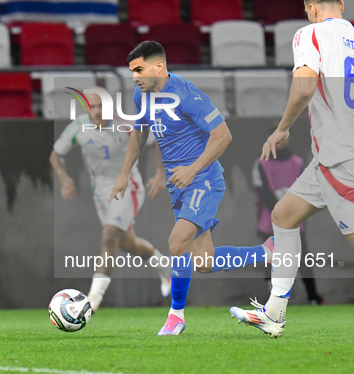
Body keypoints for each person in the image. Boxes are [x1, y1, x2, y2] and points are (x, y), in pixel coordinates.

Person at [109, 41, 275, 336]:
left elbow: (223, 136)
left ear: (158, 66)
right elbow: (138, 132)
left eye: (139, 69)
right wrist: (124, 174)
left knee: (176, 244)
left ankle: (176, 316)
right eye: (131, 71)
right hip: (180, 184)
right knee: (202, 262)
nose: (134, 76)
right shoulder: (141, 94)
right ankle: (266, 251)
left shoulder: (187, 94)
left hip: (203, 180)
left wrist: (192, 169)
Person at [230, 0, 352, 337]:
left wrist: (282, 127)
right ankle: (274, 312)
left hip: (340, 156)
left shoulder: (310, 34)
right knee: (283, 216)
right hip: (329, 157)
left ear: (311, 10)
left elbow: (304, 86)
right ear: (341, 6)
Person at [51, 89, 171, 312]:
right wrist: (64, 178)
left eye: (101, 106)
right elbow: (55, 154)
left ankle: (92, 300)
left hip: (128, 186)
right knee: (127, 244)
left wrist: (160, 174)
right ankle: (166, 268)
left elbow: (156, 140)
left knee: (108, 236)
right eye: (92, 106)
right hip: (101, 193)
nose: (97, 111)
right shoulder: (78, 127)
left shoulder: (125, 124)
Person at [252, 128, 326, 305]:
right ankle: (273, 302)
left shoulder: (298, 162)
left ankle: (313, 297)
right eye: (274, 137)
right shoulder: (260, 163)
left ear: (289, 138)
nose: (279, 141)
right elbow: (263, 193)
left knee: (302, 260)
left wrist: (292, 212)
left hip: (295, 223)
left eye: (283, 137)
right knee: (270, 260)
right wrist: (281, 211)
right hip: (268, 223)